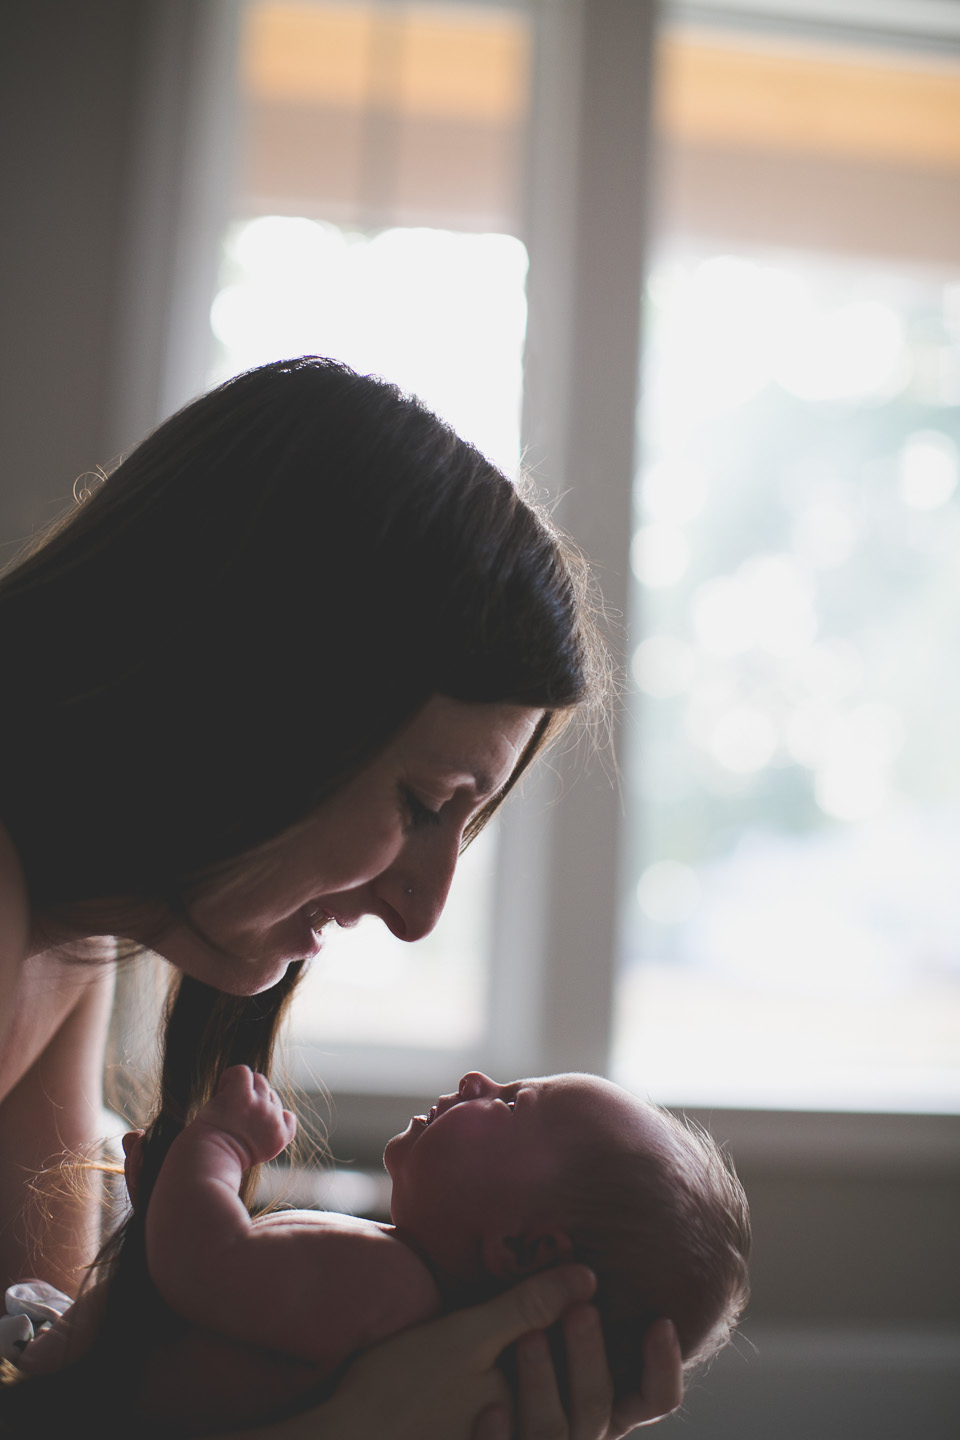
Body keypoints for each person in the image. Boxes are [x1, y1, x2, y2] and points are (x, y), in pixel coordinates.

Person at [0, 357, 684, 1438]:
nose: (420, 912)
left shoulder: (73, 935)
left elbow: (42, 1377)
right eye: (424, 804)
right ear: (252, 690)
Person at [55, 1063, 744, 1433]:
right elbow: (193, 1307)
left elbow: (205, 1266)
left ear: (521, 1248)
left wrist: (220, 1145)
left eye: (512, 1103)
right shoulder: (404, 1316)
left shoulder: (380, 1286)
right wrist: (166, 1207)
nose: (478, 1080)